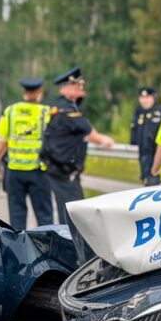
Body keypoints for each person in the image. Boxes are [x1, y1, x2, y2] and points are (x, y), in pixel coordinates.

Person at [41, 66, 114, 225]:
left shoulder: (57, 105)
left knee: (67, 213)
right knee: (74, 216)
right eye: (77, 85)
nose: (81, 88)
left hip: (56, 167)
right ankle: (69, 247)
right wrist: (106, 140)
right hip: (63, 170)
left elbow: (83, 127)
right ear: (65, 88)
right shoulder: (68, 109)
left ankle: (67, 245)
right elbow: (89, 132)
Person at [0, 77, 53, 229]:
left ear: (24, 92)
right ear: (39, 92)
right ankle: (46, 249)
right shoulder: (46, 112)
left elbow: (0, 140)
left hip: (14, 172)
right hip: (39, 171)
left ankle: (19, 249)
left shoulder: (10, 111)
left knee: (17, 215)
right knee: (44, 216)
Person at [130, 86, 161, 186]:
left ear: (153, 98)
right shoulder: (138, 113)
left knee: (153, 185)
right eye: (142, 98)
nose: (144, 101)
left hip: (156, 158)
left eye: (147, 98)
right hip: (143, 158)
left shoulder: (159, 113)